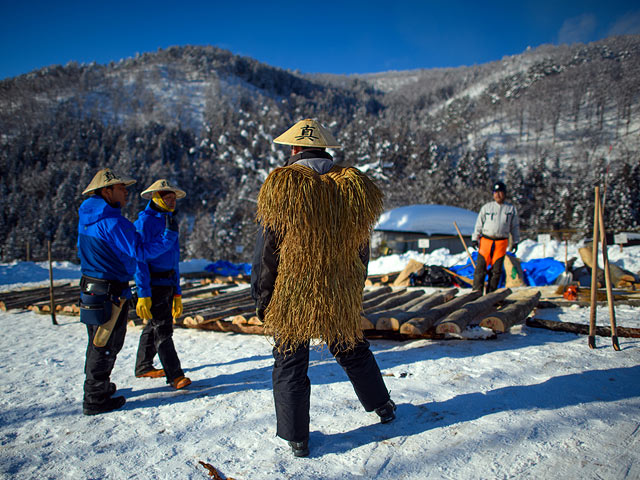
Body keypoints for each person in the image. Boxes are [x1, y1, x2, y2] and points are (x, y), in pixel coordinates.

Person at [251, 119, 396, 458]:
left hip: (292, 292)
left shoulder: (283, 185)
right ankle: (383, 406)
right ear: (324, 149)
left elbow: (267, 250)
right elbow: (363, 250)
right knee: (352, 348)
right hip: (339, 288)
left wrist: (262, 294)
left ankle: (297, 438)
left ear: (294, 149)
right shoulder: (351, 187)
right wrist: (354, 288)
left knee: (289, 360)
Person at [77, 168, 178, 415]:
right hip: (108, 289)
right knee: (106, 342)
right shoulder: (112, 222)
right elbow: (140, 252)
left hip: (93, 286)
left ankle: (99, 386)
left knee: (98, 340)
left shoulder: (88, 217)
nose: (126, 192)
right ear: (106, 190)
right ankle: (95, 398)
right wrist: (169, 236)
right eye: (121, 188)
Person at [133, 179, 191, 390]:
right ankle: (175, 375)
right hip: (153, 283)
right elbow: (139, 259)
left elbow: (173, 259)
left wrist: (177, 291)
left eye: (174, 198)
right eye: (167, 197)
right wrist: (143, 292)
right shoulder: (144, 222)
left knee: (154, 325)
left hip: (167, 282)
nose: (172, 201)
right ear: (155, 197)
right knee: (163, 330)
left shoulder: (170, 221)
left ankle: (143, 366)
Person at [471, 181, 520, 293]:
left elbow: (515, 227)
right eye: (495, 192)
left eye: (500, 192)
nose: (498, 195)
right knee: (480, 269)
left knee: (496, 271)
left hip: (501, 242)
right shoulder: (487, 208)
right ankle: (476, 292)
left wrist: (515, 241)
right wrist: (475, 238)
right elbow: (479, 224)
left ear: (505, 193)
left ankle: (490, 294)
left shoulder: (510, 209)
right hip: (486, 241)